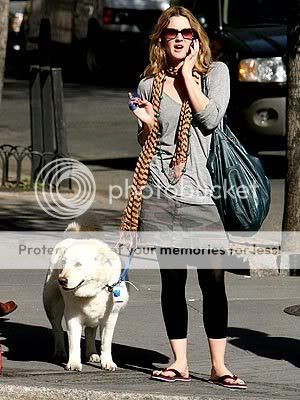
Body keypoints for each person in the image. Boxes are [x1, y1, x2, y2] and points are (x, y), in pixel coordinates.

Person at [121, 6, 247, 390]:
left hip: (202, 193)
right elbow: (149, 143)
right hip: (159, 192)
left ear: (197, 39)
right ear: (160, 40)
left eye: (187, 33)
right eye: (171, 33)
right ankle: (179, 361)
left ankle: (219, 366)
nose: (179, 38)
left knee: (213, 281)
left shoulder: (216, 75)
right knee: (172, 282)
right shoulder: (149, 86)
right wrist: (144, 125)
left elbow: (210, 120)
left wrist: (190, 74)